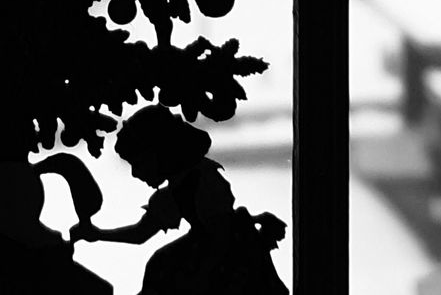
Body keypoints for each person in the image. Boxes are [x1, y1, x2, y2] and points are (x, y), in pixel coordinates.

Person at [70, 105, 287, 294]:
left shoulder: (203, 180)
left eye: (138, 163)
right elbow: (141, 233)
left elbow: (221, 232)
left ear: (160, 153)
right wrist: (98, 234)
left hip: (228, 255)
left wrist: (201, 276)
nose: (136, 173)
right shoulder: (174, 192)